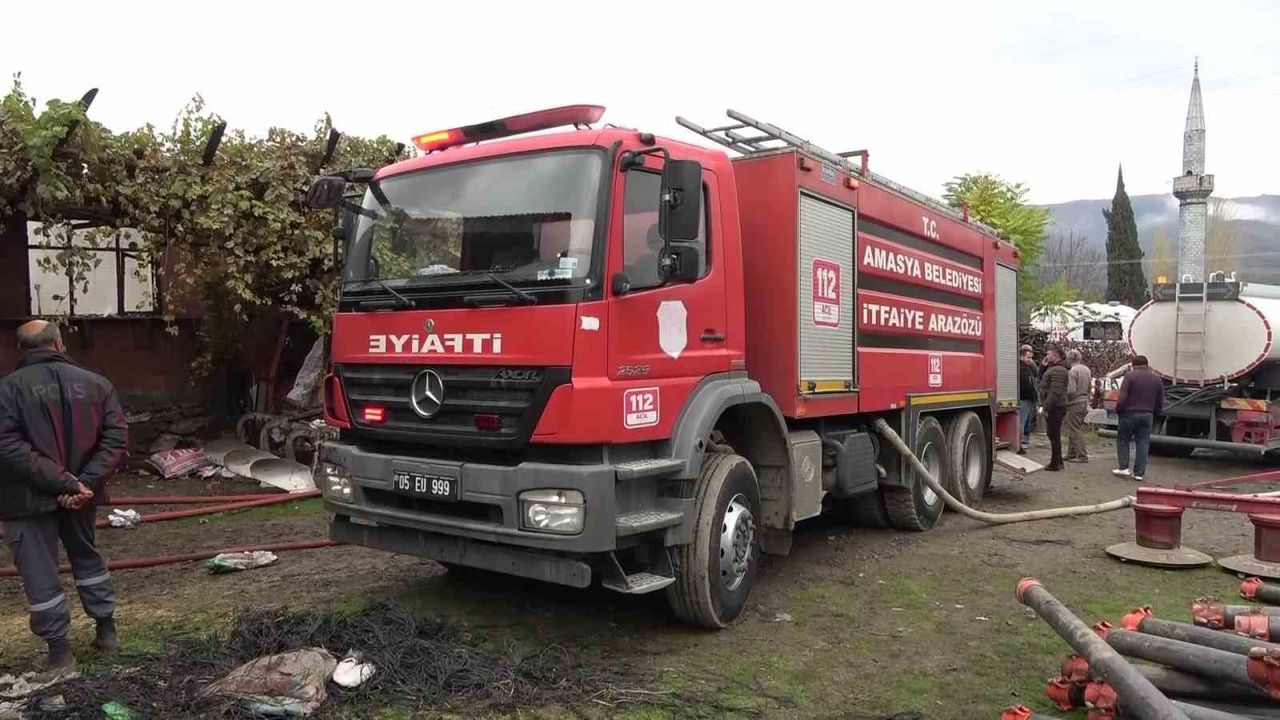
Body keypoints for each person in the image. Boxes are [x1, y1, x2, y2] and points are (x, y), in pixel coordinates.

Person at [0, 321, 128, 676]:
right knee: (87, 557)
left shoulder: (6, 391)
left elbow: (8, 446)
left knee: (39, 571)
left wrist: (63, 482)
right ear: (59, 341)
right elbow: (116, 439)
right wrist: (82, 484)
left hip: (25, 500)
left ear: (20, 349)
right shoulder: (98, 384)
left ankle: (59, 654)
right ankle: (107, 631)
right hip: (82, 498)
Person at [1113, 355, 1163, 482]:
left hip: (1129, 413)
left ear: (1133, 365)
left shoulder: (1130, 376)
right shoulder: (1156, 379)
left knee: (1123, 440)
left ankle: (1124, 468)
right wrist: (1155, 414)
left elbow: (1122, 397)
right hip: (1147, 415)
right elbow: (1160, 400)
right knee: (1143, 442)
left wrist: (1118, 410)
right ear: (1147, 364)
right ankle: (1139, 473)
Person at [1037, 345, 1070, 471]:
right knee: (1053, 435)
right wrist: (1043, 366)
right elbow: (1041, 380)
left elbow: (1055, 392)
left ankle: (1055, 463)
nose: (1046, 356)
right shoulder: (1054, 369)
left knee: (1054, 435)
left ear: (1055, 356)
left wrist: (1045, 408)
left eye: (1049, 354)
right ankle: (1058, 461)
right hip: (1055, 406)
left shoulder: (1058, 371)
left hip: (1055, 407)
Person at [1065, 349, 1093, 463]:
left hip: (1074, 402)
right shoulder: (1086, 369)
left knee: (1075, 429)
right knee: (1075, 427)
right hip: (1084, 401)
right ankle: (1071, 453)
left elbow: (1071, 390)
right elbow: (1089, 387)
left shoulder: (1071, 371)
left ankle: (1082, 455)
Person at [1017, 345, 1038, 454]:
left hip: (1028, 399)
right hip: (1025, 398)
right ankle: (1019, 444)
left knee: (1025, 421)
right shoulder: (1021, 369)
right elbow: (1026, 385)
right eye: (1028, 357)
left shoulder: (1027, 367)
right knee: (1021, 422)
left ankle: (1022, 442)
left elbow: (1037, 373)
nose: (1030, 360)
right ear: (1022, 356)